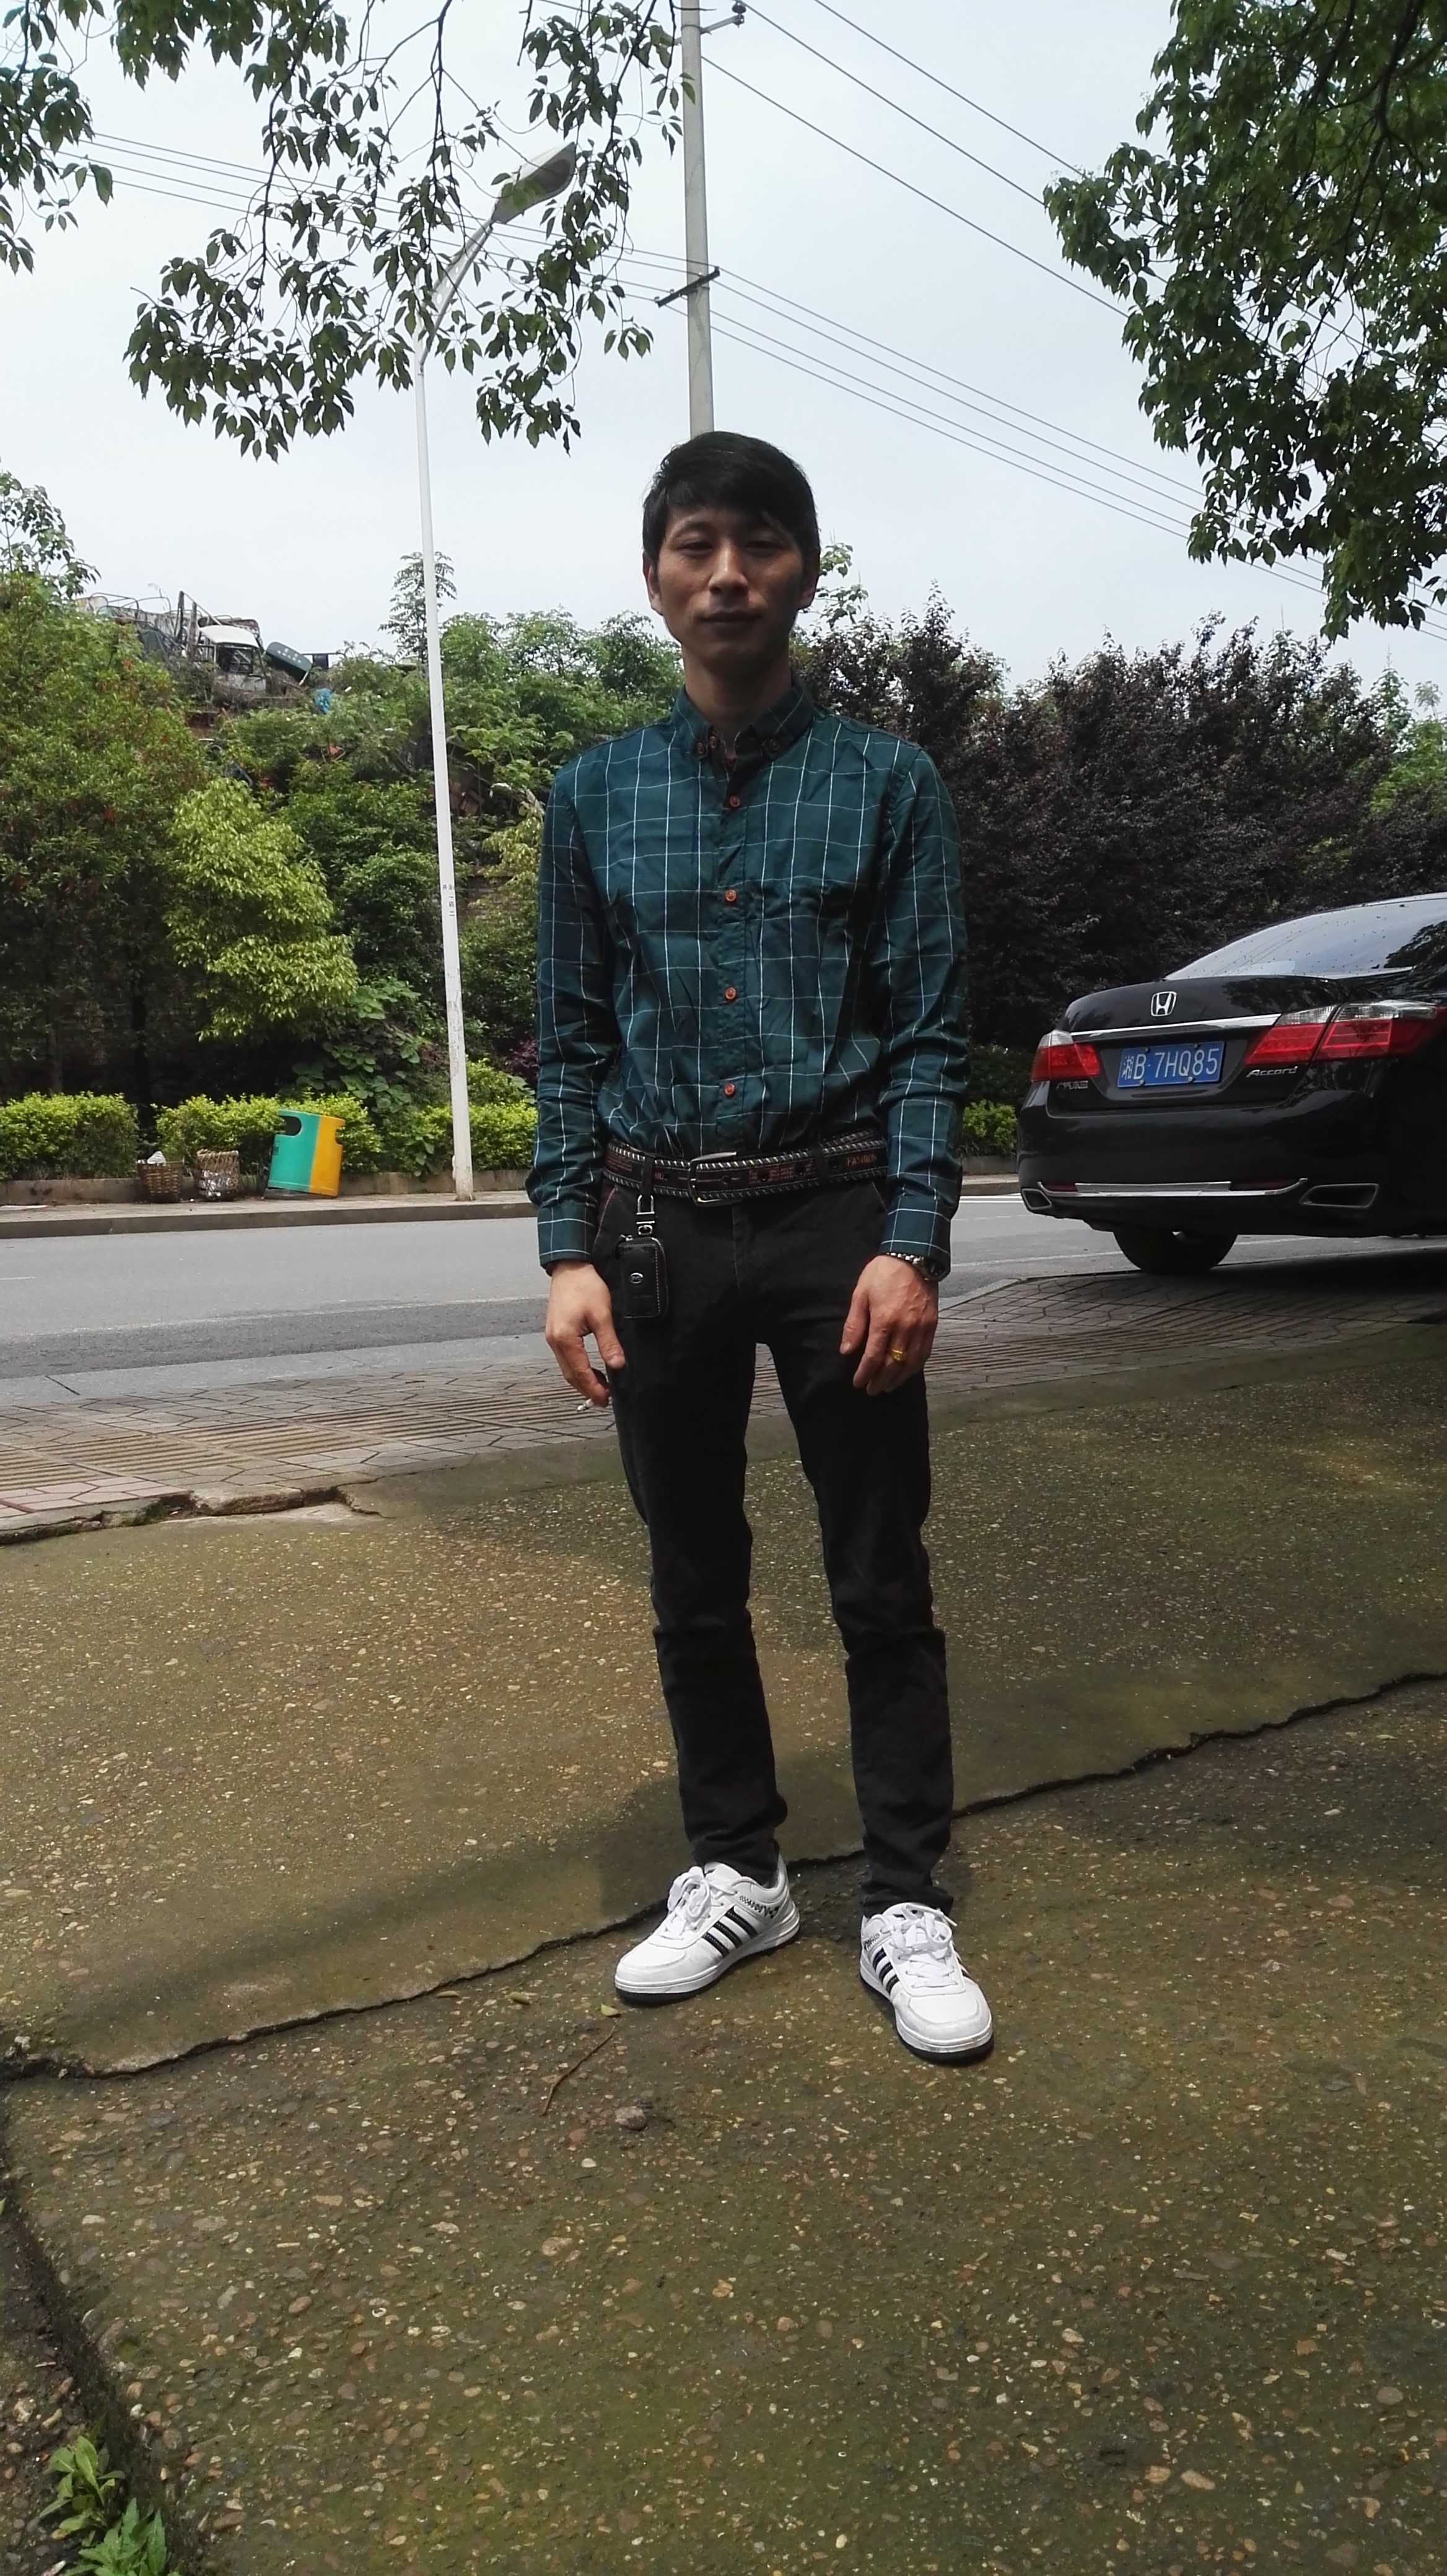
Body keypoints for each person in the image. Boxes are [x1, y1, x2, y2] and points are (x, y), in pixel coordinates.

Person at [531, 431, 991, 2060]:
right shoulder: (595, 796)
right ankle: (738, 1867)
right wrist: (565, 1249)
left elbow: (928, 1036)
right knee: (691, 1575)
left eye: (759, 543)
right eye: (695, 544)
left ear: (804, 566)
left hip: (837, 1224)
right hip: (654, 1230)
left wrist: (914, 1240)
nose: (726, 574)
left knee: (878, 1572)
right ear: (656, 573)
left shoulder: (887, 784)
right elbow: (570, 1039)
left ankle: (906, 1895)